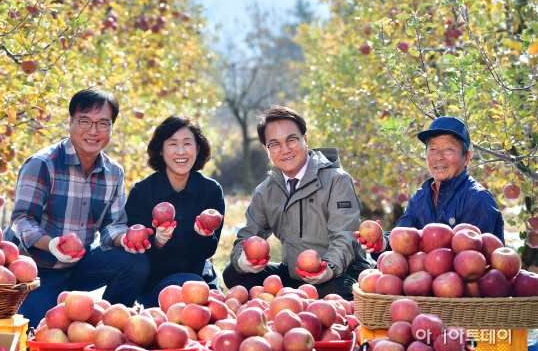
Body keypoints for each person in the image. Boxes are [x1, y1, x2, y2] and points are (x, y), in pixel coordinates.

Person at [3, 88, 150, 326]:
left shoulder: (113, 173)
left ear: (111, 128)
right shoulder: (42, 164)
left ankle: (109, 326)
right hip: (38, 268)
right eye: (85, 121)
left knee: (135, 263)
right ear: (70, 122)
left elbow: (113, 225)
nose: (93, 131)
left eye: (103, 124)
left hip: (79, 264)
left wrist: (124, 239)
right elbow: (22, 220)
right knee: (41, 334)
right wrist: (51, 243)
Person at [222, 106, 369, 300]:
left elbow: (345, 236)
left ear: (305, 140)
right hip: (294, 276)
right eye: (275, 144)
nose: (285, 150)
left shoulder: (336, 180)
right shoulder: (265, 191)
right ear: (267, 149)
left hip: (339, 273)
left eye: (291, 140)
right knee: (233, 272)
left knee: (333, 292)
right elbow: (247, 238)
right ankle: (291, 301)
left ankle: (297, 300)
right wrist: (243, 260)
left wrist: (329, 269)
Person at [363, 116, 505, 256]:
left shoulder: (477, 199)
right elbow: (402, 237)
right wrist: (383, 244)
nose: (438, 157)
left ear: (467, 158)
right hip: (423, 276)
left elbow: (469, 260)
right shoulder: (420, 197)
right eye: (432, 149)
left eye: (448, 149)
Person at [125, 114, 225, 308]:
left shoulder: (210, 191)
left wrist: (204, 236)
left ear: (197, 148)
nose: (181, 151)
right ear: (161, 150)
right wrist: (159, 240)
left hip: (199, 279)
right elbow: (136, 255)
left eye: (187, 143)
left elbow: (207, 251)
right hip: (156, 284)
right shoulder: (142, 192)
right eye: (172, 144)